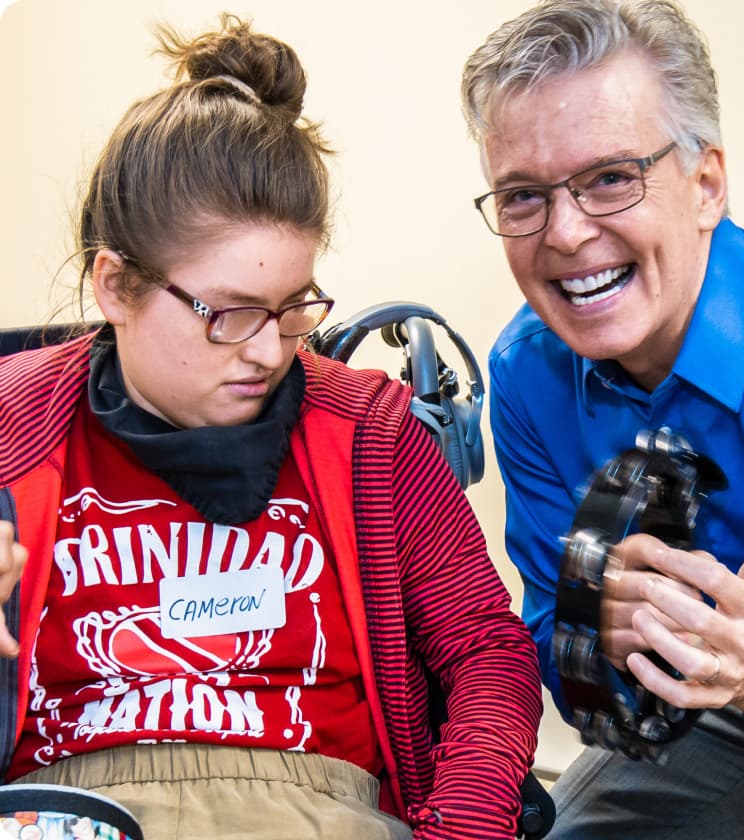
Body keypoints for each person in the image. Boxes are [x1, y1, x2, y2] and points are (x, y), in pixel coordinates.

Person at [0, 14, 543, 839]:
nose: (268, 351)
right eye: (230, 313)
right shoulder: (12, 424)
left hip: (320, 809)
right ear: (115, 286)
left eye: (293, 308)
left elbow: (487, 653)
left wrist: (462, 825)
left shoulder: (370, 436)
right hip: (65, 812)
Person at [461, 0, 744, 837]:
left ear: (706, 186)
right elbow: (572, 676)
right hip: (715, 707)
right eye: (523, 196)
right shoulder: (526, 374)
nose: (566, 234)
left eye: (609, 177)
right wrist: (597, 633)